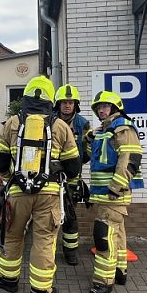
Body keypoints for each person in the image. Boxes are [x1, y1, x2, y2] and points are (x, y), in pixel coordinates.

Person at [0, 76, 80, 293]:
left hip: (17, 192)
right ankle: (41, 291)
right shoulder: (60, 126)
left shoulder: (11, 123)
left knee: (13, 235)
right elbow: (73, 167)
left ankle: (8, 279)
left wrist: (10, 178)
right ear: (51, 99)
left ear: (26, 97)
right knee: (44, 240)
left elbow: (0, 161)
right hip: (49, 194)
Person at [87, 90, 143, 293]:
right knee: (117, 234)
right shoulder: (105, 130)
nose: (101, 110)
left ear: (115, 108)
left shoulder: (122, 128)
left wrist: (115, 187)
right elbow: (96, 153)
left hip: (113, 193)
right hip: (105, 194)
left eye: (105, 106)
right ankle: (120, 271)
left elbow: (129, 160)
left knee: (104, 236)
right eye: (98, 108)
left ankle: (103, 281)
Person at [53, 84, 91, 266]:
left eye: (70, 102)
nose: (67, 105)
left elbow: (88, 150)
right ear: (58, 104)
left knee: (70, 216)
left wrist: (76, 162)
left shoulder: (83, 124)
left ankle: (70, 252)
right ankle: (48, 250)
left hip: (72, 179)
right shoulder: (50, 121)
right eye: (64, 102)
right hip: (52, 178)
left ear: (76, 104)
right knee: (49, 216)